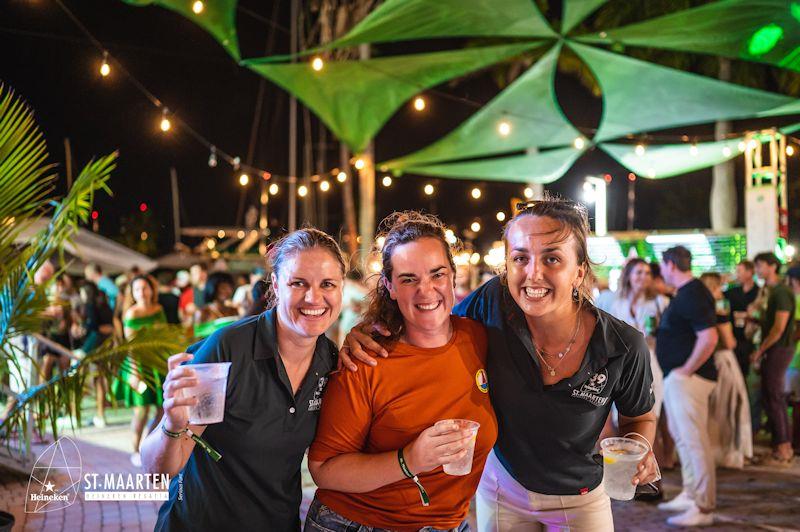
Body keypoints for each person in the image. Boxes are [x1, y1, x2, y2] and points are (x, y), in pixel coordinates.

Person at [342, 198, 658, 531]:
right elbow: (431, 321)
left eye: (552, 258)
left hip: (581, 497)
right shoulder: (491, 302)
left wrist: (640, 448)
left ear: (579, 271)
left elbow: (639, 416)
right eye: (520, 258)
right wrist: (372, 330)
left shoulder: (622, 345)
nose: (534, 273)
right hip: (501, 489)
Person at [305, 212, 497, 531]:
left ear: (452, 276)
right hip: (357, 523)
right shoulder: (366, 358)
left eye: (437, 274)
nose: (426, 290)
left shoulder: (478, 337)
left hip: (449, 523)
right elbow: (323, 469)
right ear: (390, 287)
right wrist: (409, 460)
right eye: (409, 279)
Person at [144, 228, 345, 531]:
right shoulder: (228, 350)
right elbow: (157, 473)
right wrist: (172, 427)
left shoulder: (329, 360)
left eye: (327, 284)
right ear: (276, 285)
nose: (313, 297)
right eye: (298, 283)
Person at [655, 246, 719, 526]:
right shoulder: (688, 292)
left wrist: (685, 370)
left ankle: (704, 506)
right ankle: (691, 494)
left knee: (694, 442)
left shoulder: (692, 293)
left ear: (670, 265)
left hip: (689, 378)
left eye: (662, 266)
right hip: (680, 377)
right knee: (682, 437)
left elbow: (709, 337)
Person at [113, 275, 167, 467]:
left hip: (157, 364)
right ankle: (134, 450)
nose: (142, 292)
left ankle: (147, 444)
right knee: (141, 411)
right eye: (137, 289)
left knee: (162, 408)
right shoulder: (131, 314)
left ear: (152, 289)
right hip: (139, 365)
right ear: (133, 293)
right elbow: (131, 347)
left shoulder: (159, 309)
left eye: (145, 288)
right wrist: (135, 373)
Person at [700, 272, 752, 469]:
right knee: (729, 407)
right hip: (723, 360)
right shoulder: (720, 312)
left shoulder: (698, 311)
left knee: (712, 410)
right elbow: (729, 342)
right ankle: (727, 453)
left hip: (705, 362)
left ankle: (712, 452)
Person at [751, 252, 796, 465]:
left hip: (780, 348)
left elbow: (778, 329)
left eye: (760, 266)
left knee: (775, 396)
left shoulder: (781, 292)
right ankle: (780, 446)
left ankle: (784, 447)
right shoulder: (770, 292)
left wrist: (760, 351)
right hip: (775, 348)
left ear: (772, 267)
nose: (757, 270)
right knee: (770, 395)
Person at [75, 281, 114, 428]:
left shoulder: (90, 306)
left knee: (79, 379)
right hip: (104, 347)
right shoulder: (105, 305)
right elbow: (108, 327)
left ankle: (75, 416)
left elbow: (94, 326)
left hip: (90, 348)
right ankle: (100, 415)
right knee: (100, 380)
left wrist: (82, 326)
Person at [724, 260, 759, 379]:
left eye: (739, 271)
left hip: (752, 337)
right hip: (733, 336)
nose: (737, 274)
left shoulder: (760, 292)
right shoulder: (732, 292)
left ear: (750, 272)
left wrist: (748, 315)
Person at [193, 271, 239, 338]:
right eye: (223, 287)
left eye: (230, 287)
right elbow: (197, 342)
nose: (228, 291)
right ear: (213, 288)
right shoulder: (203, 313)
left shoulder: (234, 311)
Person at [785, 265, 800, 453]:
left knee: (796, 403)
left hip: (796, 358)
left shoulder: (796, 300)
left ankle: (796, 443)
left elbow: (797, 329)